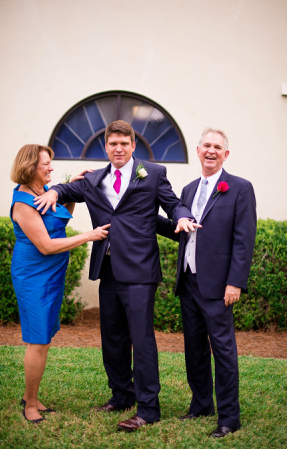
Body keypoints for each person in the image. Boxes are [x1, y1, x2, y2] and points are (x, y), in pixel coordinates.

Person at [34, 120, 197, 432]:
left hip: (139, 271)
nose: (119, 149)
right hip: (107, 270)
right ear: (106, 147)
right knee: (112, 338)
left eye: (124, 143)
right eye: (113, 144)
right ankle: (122, 395)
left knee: (141, 339)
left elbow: (172, 205)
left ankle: (149, 409)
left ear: (133, 146)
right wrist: (54, 191)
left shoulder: (153, 173)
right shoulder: (94, 178)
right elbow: (69, 188)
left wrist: (183, 217)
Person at [156, 127, 257, 438]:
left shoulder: (240, 188)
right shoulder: (186, 190)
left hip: (218, 285)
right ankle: (201, 404)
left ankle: (229, 418)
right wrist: (142, 214)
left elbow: (244, 240)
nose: (211, 151)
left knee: (223, 350)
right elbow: (180, 227)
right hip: (188, 281)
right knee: (194, 348)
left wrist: (235, 282)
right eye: (206, 146)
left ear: (225, 154)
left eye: (217, 147)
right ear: (198, 151)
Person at [9, 144, 110, 424]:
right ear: (30, 167)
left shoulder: (42, 193)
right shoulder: (22, 203)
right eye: (45, 164)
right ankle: (29, 404)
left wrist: (71, 187)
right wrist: (89, 236)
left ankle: (33, 395)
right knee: (37, 339)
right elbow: (45, 245)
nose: (51, 167)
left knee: (44, 337)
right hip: (33, 275)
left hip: (52, 274)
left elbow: (61, 215)